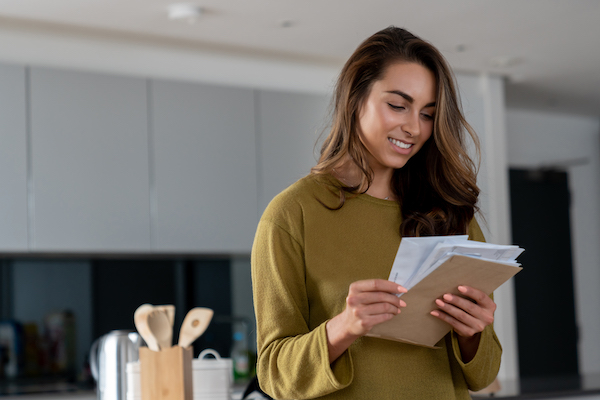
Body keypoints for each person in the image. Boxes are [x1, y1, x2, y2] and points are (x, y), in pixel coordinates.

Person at [251, 26, 501, 399]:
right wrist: (345, 327)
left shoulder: (451, 214)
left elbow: (483, 375)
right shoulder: (292, 214)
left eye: (428, 114)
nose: (414, 127)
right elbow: (274, 374)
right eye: (398, 105)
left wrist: (473, 333)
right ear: (355, 98)